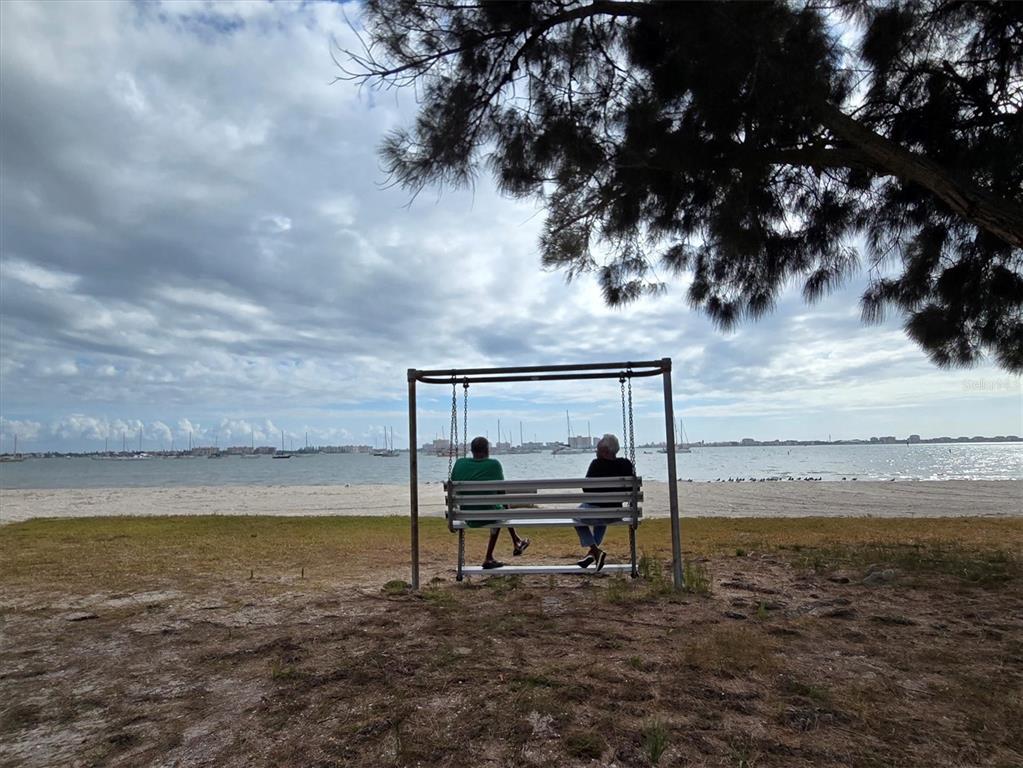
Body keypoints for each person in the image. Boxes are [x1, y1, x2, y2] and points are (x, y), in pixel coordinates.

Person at [450, 436, 530, 569]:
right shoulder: (494, 464)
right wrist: (507, 511)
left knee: (498, 510)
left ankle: (516, 540)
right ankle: (490, 556)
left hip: (467, 515)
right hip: (489, 514)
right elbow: (501, 494)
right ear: (487, 450)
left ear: (472, 450)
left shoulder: (460, 463)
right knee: (500, 510)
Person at [576, 433, 634, 572]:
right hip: (617, 513)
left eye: (598, 449)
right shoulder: (626, 463)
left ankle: (595, 550)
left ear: (605, 451)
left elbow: (586, 489)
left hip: (599, 512)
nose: (596, 452)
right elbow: (633, 488)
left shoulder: (596, 464)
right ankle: (592, 553)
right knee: (601, 511)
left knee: (576, 515)